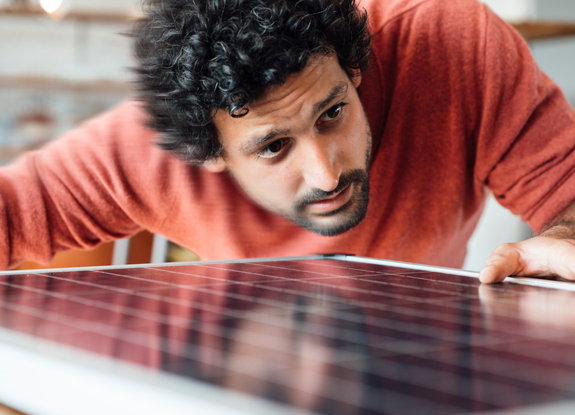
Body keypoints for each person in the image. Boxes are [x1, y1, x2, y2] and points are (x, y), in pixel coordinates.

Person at [1, 0, 575, 284]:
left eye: (331, 114)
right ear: (213, 155)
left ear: (353, 69)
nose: (327, 174)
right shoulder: (141, 153)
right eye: (273, 147)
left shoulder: (456, 48)